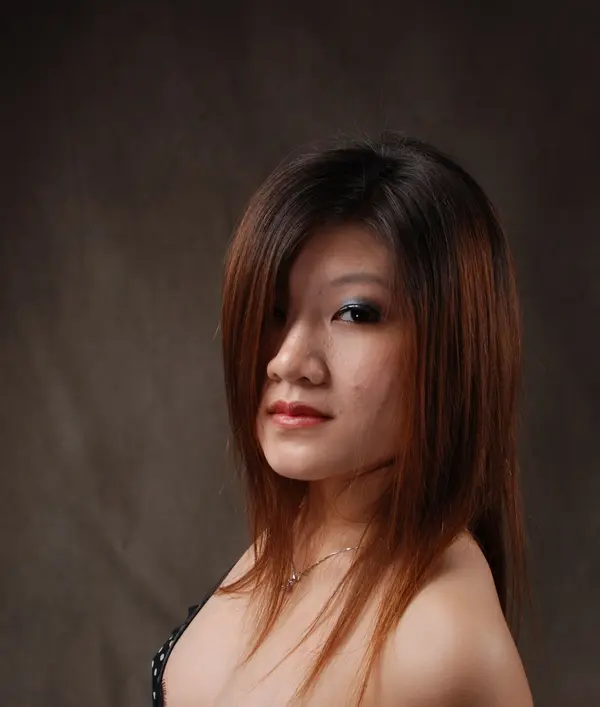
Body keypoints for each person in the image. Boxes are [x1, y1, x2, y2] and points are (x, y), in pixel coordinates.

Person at [151, 132, 534, 706]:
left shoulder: (438, 636)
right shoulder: (305, 535)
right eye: (275, 311)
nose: (288, 362)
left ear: (453, 347)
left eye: (355, 313)